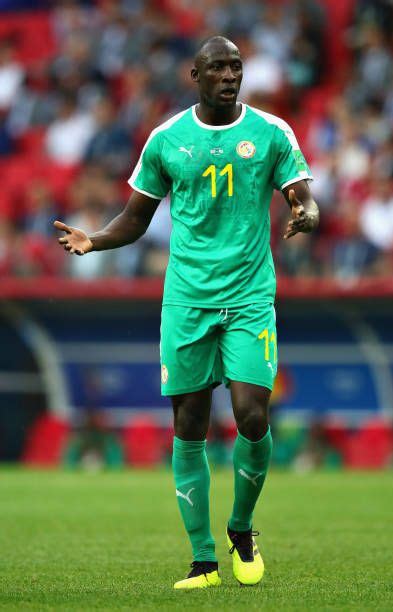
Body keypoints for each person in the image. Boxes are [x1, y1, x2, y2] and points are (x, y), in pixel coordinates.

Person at [54, 36, 319, 590]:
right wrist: (94, 241)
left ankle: (241, 529)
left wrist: (307, 211)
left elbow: (301, 192)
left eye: (237, 67)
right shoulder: (168, 140)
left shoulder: (270, 132)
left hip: (249, 297)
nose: (230, 75)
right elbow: (136, 217)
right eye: (218, 67)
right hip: (187, 299)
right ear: (194, 75)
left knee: (251, 414)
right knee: (190, 423)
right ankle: (203, 560)